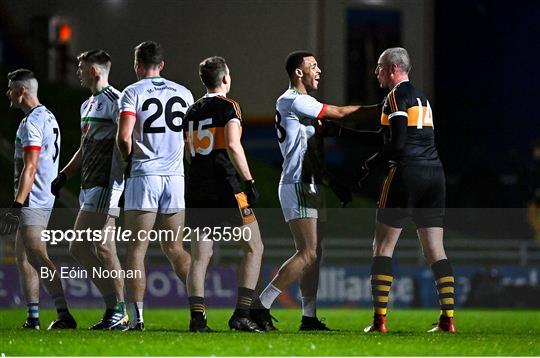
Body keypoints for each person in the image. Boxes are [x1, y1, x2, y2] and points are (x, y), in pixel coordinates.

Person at [251, 50, 373, 331]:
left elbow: (313, 154)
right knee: (306, 252)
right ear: (298, 72)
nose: (319, 70)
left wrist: (331, 182)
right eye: (313, 66)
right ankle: (261, 305)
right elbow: (342, 114)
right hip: (298, 183)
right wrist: (383, 108)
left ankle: (309, 316)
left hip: (312, 184)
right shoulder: (295, 100)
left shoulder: (302, 105)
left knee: (314, 253)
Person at [361, 47, 456, 333]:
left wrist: (371, 164)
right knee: (435, 249)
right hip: (434, 175)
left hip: (407, 174)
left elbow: (398, 142)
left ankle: (379, 321)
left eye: (379, 67)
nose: (375, 72)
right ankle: (447, 320)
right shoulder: (422, 97)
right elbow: (396, 136)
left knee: (382, 247)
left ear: (392, 69)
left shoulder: (394, 96)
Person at [183, 56, 264, 332]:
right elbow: (233, 144)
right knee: (254, 247)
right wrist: (249, 181)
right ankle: (241, 313)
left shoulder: (191, 111)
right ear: (225, 79)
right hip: (228, 187)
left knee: (199, 257)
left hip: (197, 188)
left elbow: (187, 154)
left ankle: (197, 318)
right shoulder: (230, 106)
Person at [116, 41, 193, 331]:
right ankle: (199, 309)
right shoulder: (184, 93)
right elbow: (189, 140)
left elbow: (124, 138)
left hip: (144, 176)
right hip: (175, 179)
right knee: (175, 247)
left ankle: (137, 320)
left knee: (137, 249)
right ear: (162, 65)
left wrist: (127, 160)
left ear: (137, 65)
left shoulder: (131, 92)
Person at [50, 49, 127, 329]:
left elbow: (125, 143)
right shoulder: (88, 105)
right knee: (99, 247)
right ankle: (115, 310)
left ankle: (117, 307)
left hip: (106, 185)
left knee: (83, 246)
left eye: (81, 67)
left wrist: (122, 178)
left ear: (94, 71)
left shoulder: (115, 101)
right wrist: (64, 175)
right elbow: (85, 147)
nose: (77, 72)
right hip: (88, 184)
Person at [1, 69, 76, 329]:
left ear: (22, 92)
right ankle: (33, 317)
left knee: (36, 255)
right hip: (41, 196)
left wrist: (17, 204)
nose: (7, 93)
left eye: (10, 88)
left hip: (33, 198)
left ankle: (64, 313)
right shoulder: (47, 116)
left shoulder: (31, 123)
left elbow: (30, 167)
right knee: (24, 257)